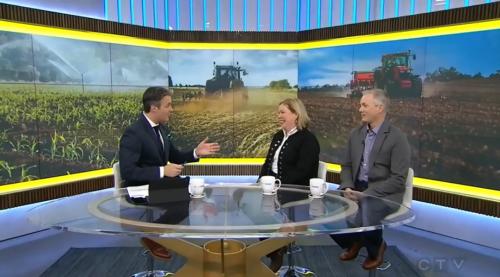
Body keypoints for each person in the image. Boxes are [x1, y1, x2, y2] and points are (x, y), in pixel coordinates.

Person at [330, 89, 410, 270]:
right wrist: (348, 186)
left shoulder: (397, 138)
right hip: (356, 188)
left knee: (367, 209)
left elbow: (398, 179)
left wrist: (366, 194)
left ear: (379, 108)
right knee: (324, 207)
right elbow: (347, 166)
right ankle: (354, 242)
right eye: (360, 105)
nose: (360, 109)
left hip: (384, 192)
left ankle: (376, 249)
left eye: (364, 105)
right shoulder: (355, 134)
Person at [258, 98, 320, 272]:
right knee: (254, 212)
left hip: (296, 193)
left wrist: (278, 186)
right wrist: (260, 183)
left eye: (282, 112)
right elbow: (268, 163)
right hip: (275, 191)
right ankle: (275, 251)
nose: (279, 116)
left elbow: (304, 171)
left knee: (264, 215)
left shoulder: (307, 139)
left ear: (296, 114)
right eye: (278, 112)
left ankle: (277, 249)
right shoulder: (278, 136)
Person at [119, 86, 220, 187]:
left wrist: (196, 153)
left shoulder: (161, 129)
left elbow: (175, 157)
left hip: (162, 191)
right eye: (168, 106)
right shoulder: (134, 133)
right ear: (154, 108)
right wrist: (162, 171)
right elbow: (128, 172)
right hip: (142, 196)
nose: (171, 109)